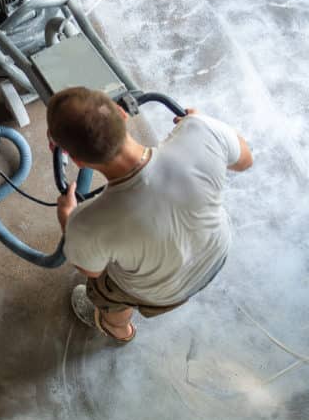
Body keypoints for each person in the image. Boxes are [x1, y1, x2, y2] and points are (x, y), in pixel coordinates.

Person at [47, 87, 252, 344]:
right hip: (217, 252)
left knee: (105, 291)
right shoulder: (202, 132)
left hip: (161, 294)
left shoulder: (87, 224)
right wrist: (200, 126)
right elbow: (244, 161)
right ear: (122, 114)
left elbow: (91, 270)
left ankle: (118, 328)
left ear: (76, 161)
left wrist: (68, 217)